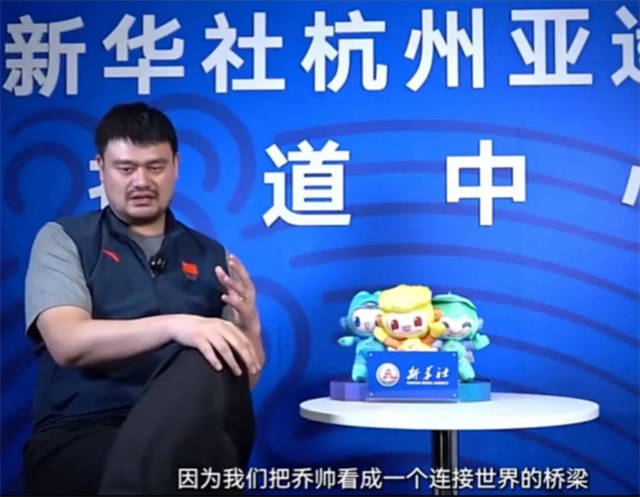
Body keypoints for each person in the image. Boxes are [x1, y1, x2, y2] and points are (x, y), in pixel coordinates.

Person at [22, 102, 265, 495]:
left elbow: (241, 383)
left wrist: (249, 324)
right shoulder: (65, 240)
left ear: (176, 166)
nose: (141, 181)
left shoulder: (211, 256)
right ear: (100, 167)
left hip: (188, 433)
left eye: (155, 167)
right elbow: (67, 342)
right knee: (191, 465)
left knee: (205, 368)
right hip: (83, 432)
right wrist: (178, 326)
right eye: (126, 168)